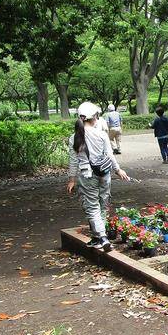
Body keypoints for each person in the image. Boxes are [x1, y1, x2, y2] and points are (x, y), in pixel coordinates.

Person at [67, 102, 130, 252]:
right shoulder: (101, 134)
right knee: (102, 204)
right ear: (95, 117)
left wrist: (72, 180)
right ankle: (97, 238)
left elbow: (73, 161)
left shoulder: (74, 138)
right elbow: (109, 155)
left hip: (87, 176)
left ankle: (102, 237)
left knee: (92, 207)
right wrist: (118, 170)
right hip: (104, 174)